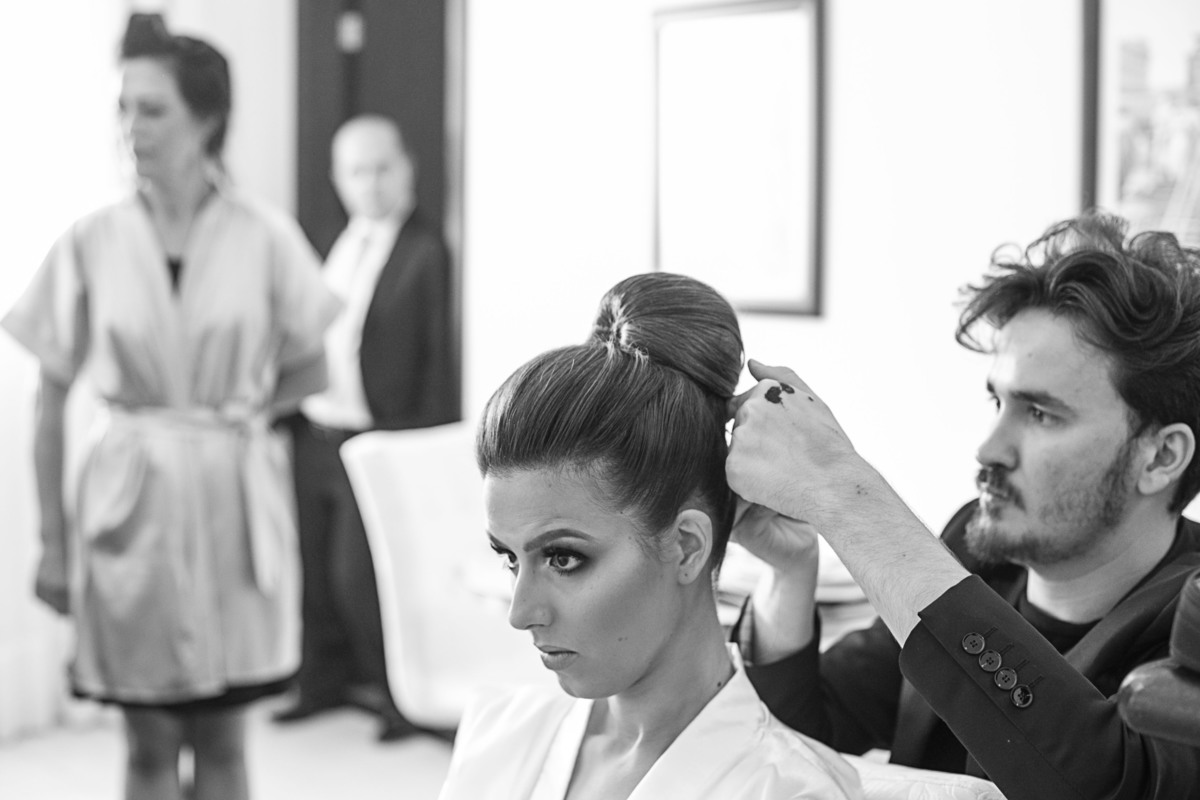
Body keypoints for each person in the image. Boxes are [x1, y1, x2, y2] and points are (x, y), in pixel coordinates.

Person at [726, 211, 1200, 800]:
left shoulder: (1189, 631)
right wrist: (788, 570)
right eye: (997, 402)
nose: (989, 448)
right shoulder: (977, 548)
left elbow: (1106, 781)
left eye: (1042, 414)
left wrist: (841, 490)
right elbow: (806, 738)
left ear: (1160, 457)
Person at [1, 14, 338, 800]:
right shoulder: (90, 239)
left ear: (206, 120)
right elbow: (50, 396)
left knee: (224, 742)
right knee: (147, 744)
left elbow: (311, 365)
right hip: (130, 503)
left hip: (231, 496)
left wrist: (240, 413)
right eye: (122, 108)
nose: (130, 128)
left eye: (151, 110)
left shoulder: (264, 236)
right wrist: (52, 542)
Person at [438, 273, 862, 799]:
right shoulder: (498, 735)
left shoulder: (791, 791)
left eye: (564, 558)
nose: (520, 613)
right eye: (509, 558)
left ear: (686, 545)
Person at [273, 114, 458, 741]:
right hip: (314, 430)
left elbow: (436, 356)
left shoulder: (427, 249)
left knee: (362, 574)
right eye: (357, 170)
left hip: (375, 437)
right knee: (315, 568)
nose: (371, 183)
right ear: (338, 179)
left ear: (405, 168)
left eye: (382, 167)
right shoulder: (335, 241)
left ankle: (394, 696)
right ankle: (320, 681)